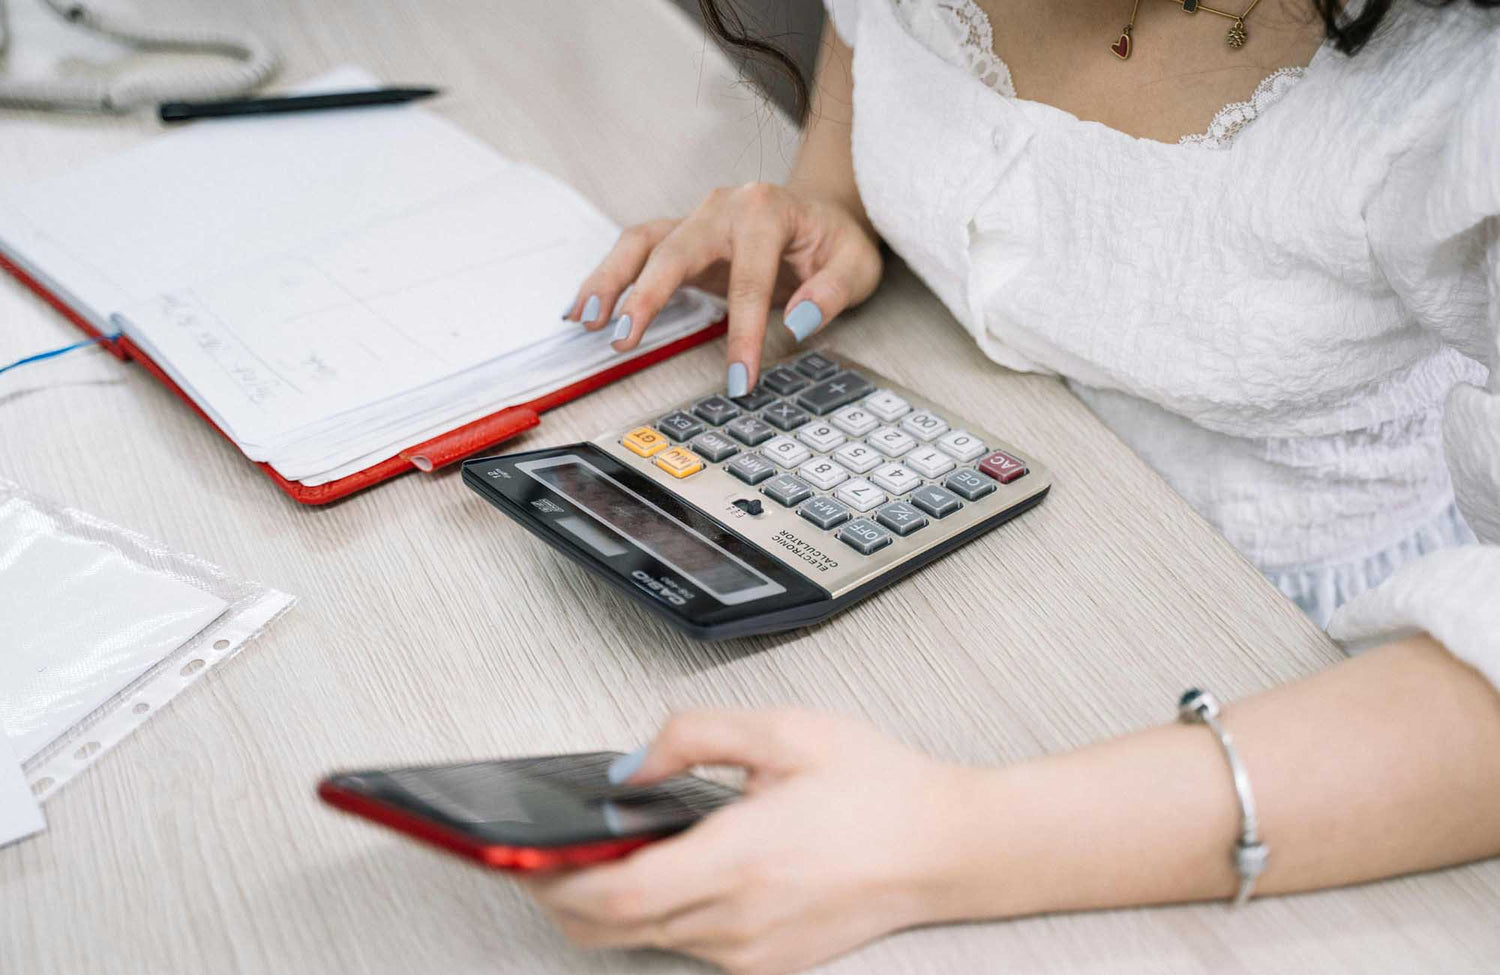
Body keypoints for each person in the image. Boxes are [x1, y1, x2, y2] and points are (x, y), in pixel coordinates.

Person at [550, 0, 1500, 971]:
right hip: (998, 579)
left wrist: (935, 842)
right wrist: (827, 208)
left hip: (1318, 696)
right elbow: (872, 84)